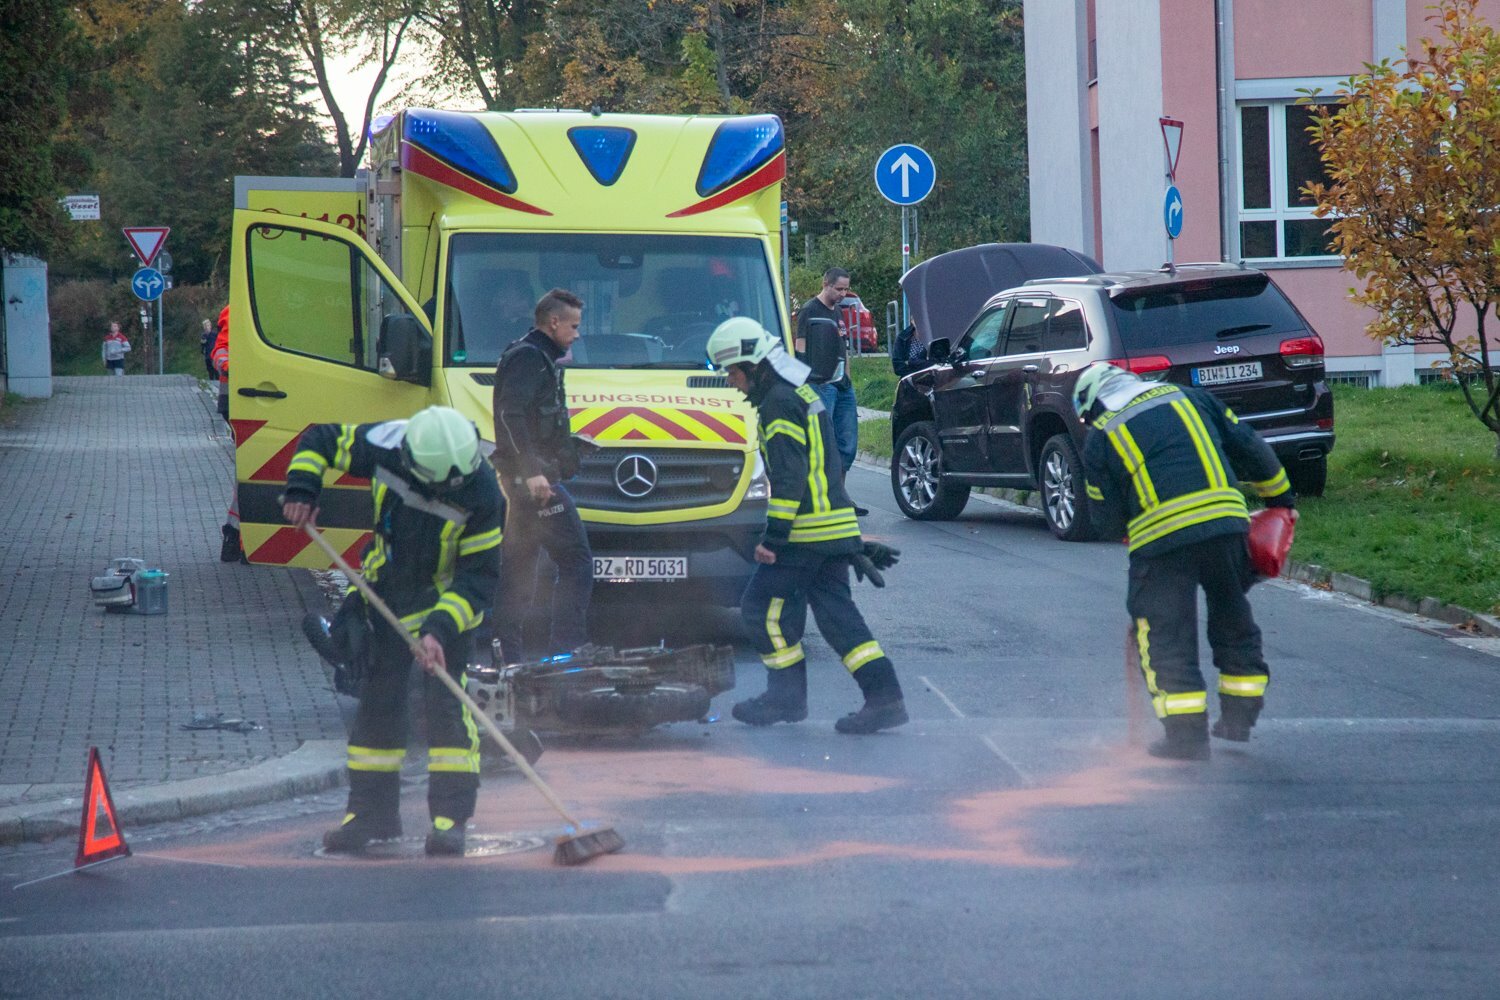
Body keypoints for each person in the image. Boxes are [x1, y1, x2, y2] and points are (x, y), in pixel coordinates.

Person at [283, 406, 503, 856]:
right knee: (377, 709)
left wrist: (438, 631)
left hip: (445, 610)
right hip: (382, 600)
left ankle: (449, 822)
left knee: (448, 712)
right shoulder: (388, 445)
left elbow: (477, 580)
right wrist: (303, 488)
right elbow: (320, 437)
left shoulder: (484, 494)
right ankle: (370, 816)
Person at [1073, 362, 1296, 761]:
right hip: (1226, 528)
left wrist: (1129, 518)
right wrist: (1281, 502)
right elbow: (1250, 447)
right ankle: (1239, 717)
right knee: (1232, 614)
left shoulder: (1103, 435)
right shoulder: (1194, 398)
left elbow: (1104, 521)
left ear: (1096, 402)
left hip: (1162, 542)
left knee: (1165, 633)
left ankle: (1186, 738)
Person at [707, 317, 907, 734]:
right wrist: (850, 540)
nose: (730, 382)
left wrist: (773, 538)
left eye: (731, 371)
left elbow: (790, 475)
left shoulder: (778, 402)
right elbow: (826, 469)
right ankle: (885, 698)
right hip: (829, 529)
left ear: (751, 366)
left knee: (760, 610)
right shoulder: (801, 393)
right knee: (838, 618)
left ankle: (785, 697)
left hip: (803, 534)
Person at [490, 288, 592, 661]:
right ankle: (567, 649)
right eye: (574, 326)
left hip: (527, 482)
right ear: (554, 322)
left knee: (519, 570)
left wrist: (569, 446)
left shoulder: (539, 357)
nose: (577, 334)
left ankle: (508, 657)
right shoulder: (529, 359)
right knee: (577, 561)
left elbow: (531, 419)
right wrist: (533, 472)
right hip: (533, 486)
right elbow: (509, 416)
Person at [795, 268, 864, 515]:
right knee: (827, 442)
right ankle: (827, 497)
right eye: (839, 289)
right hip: (821, 383)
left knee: (848, 443)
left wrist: (848, 379)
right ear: (826, 284)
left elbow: (844, 347)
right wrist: (808, 383)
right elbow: (800, 349)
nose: (843, 294)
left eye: (846, 289)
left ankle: (841, 495)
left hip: (842, 385)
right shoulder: (809, 311)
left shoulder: (837, 311)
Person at [211, 306, 243, 562]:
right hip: (237, 399)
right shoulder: (236, 311)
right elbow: (220, 352)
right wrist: (236, 367)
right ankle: (237, 537)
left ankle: (235, 535)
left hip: (239, 399)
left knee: (247, 471)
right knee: (249, 471)